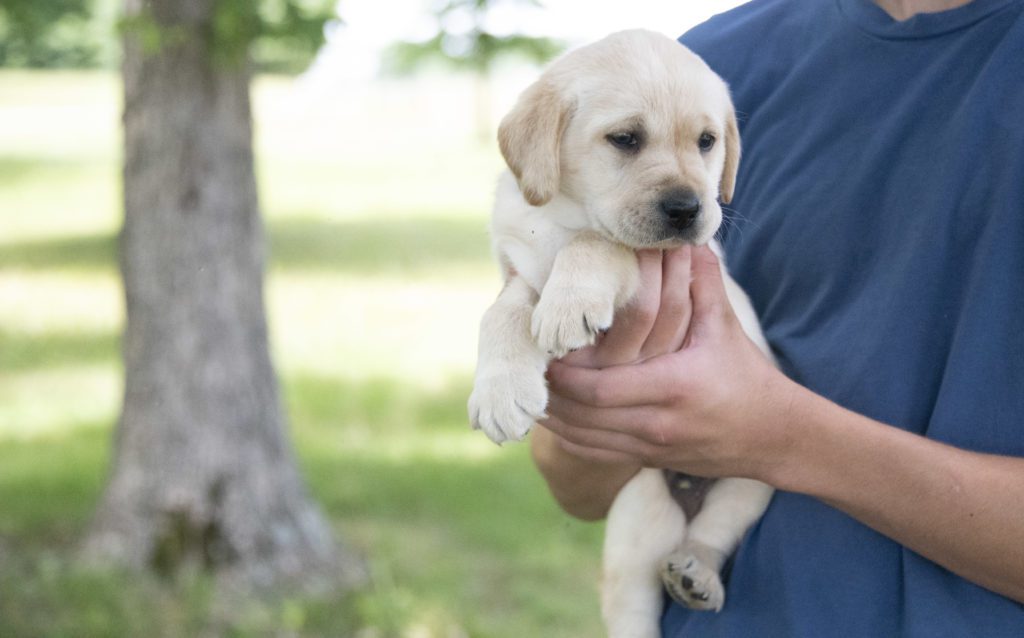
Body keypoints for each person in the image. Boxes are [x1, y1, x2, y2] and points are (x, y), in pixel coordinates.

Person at [529, 0, 1024, 635]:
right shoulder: (708, 68)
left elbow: (757, 427)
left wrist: (780, 434)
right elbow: (577, 487)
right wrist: (601, 390)